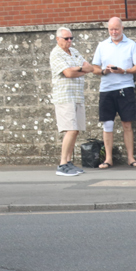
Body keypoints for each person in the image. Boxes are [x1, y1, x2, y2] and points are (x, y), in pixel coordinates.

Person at [91, 17, 136, 168]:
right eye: (111, 29)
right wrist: (104, 71)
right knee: (107, 124)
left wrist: (124, 71)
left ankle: (131, 158)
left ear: (122, 28)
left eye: (116, 29)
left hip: (125, 88)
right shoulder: (102, 45)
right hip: (106, 89)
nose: (114, 32)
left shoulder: (131, 44)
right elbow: (94, 68)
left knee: (127, 124)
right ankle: (108, 159)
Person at [50, 27, 92, 176]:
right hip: (65, 96)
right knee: (70, 129)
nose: (69, 41)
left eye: (71, 38)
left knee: (76, 130)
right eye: (66, 38)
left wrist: (78, 69)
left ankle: (68, 162)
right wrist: (81, 69)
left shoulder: (74, 52)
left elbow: (90, 67)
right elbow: (68, 73)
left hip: (77, 96)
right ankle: (62, 164)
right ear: (58, 39)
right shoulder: (56, 54)